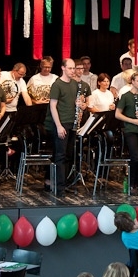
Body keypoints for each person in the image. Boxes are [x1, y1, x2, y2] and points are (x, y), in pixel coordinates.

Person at [43, 58, 88, 197]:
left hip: (71, 123)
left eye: (74, 68)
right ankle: (59, 187)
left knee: (69, 155)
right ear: (63, 68)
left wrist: (81, 105)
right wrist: (58, 126)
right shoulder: (57, 84)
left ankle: (65, 183)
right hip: (60, 123)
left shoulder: (75, 84)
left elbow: (75, 101)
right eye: (70, 68)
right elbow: (53, 106)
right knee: (60, 156)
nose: (73, 71)